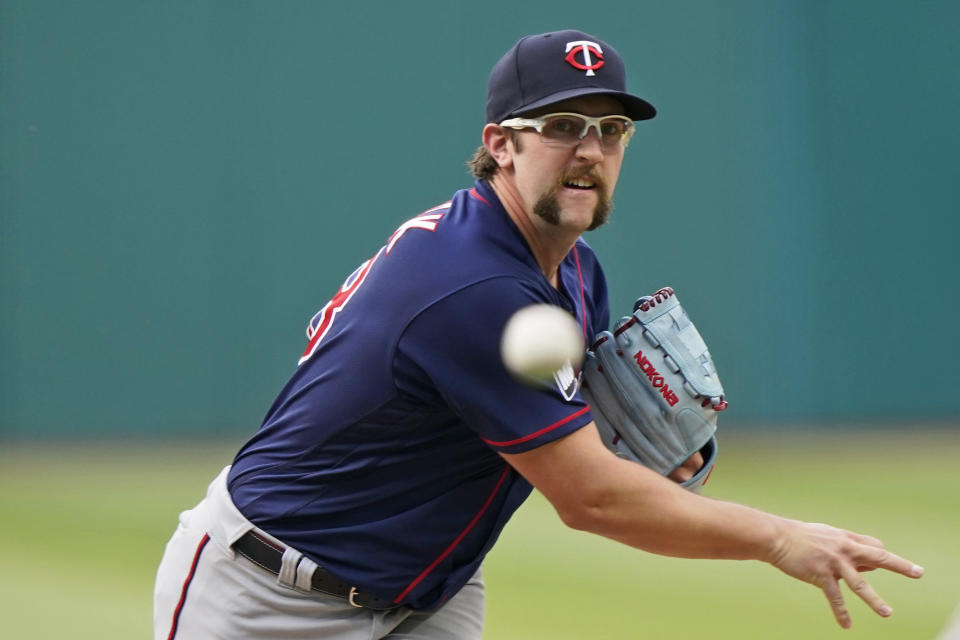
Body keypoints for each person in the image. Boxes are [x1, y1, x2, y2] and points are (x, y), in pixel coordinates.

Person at [153, 29, 923, 639]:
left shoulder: (575, 271)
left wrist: (666, 455)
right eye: (561, 126)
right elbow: (590, 498)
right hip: (271, 599)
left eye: (611, 130)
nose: (591, 150)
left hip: (428, 593)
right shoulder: (475, 288)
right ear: (500, 144)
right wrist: (780, 538)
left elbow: (596, 451)